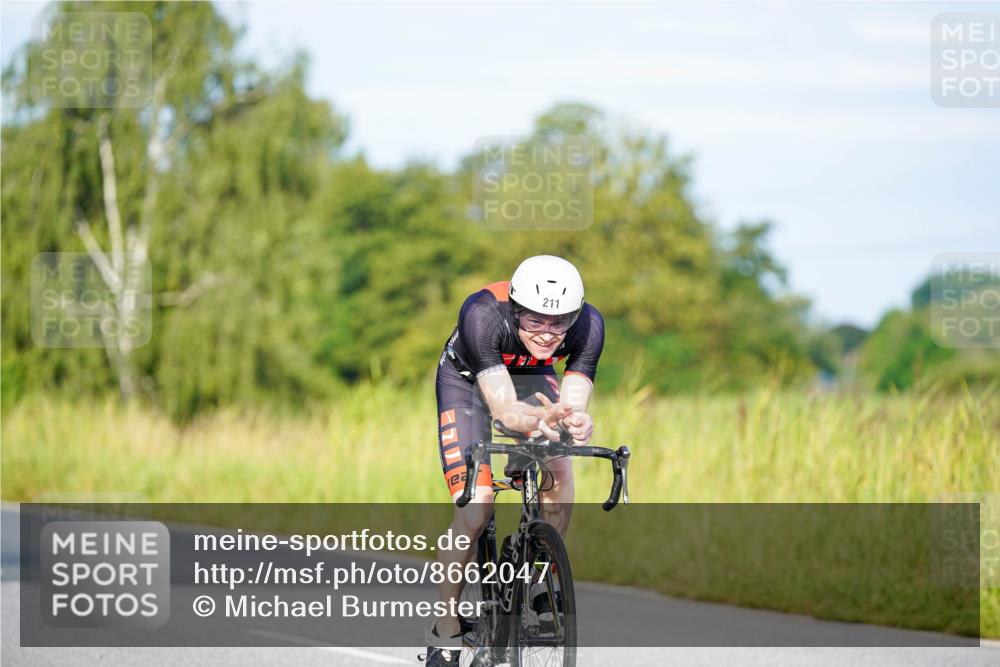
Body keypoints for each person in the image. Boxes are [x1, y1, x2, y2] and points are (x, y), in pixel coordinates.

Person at [423, 255, 605, 666]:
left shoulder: (590, 326)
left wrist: (572, 420)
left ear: (575, 317)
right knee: (475, 509)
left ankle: (539, 577)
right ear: (516, 310)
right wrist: (537, 417)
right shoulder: (483, 315)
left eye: (559, 323)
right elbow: (504, 410)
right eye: (536, 321)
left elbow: (572, 401)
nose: (547, 334)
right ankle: (445, 628)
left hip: (530, 378)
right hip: (468, 383)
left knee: (559, 462)